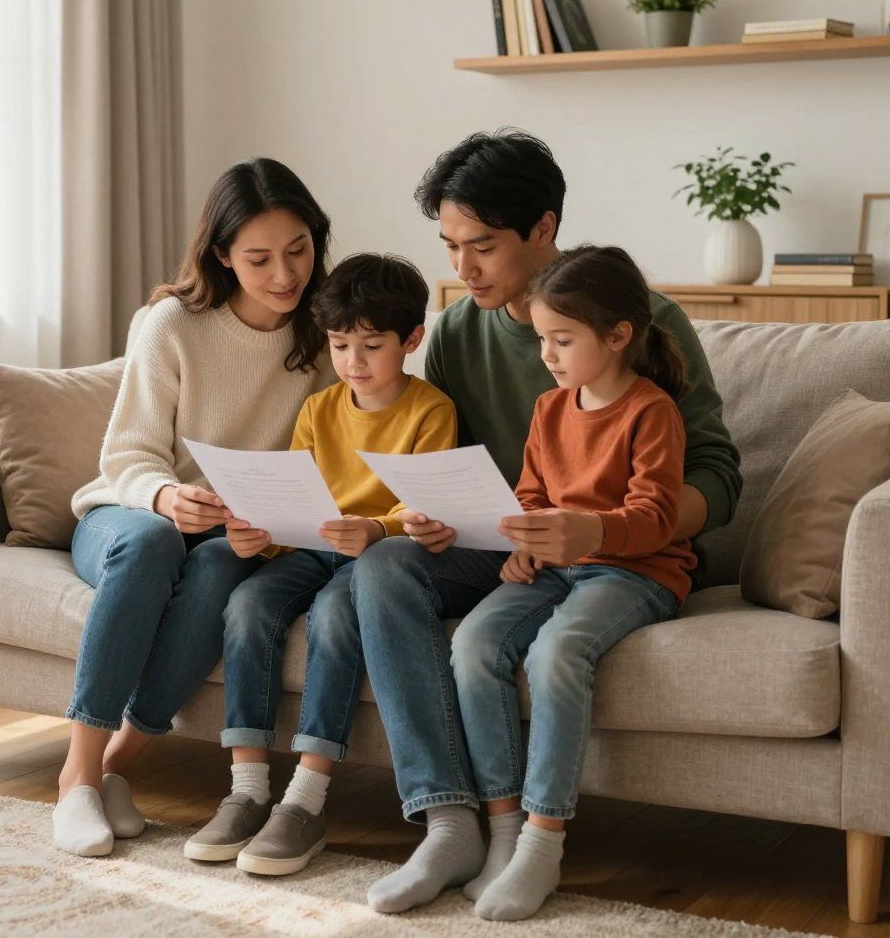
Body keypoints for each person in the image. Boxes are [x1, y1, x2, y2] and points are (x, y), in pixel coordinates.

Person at [354, 129, 742, 914]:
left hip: (623, 551)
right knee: (383, 566)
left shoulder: (638, 318)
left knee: (544, 638)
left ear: (543, 229)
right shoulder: (460, 331)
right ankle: (449, 818)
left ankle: (534, 839)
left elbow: (717, 479)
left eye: (483, 247)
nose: (461, 271)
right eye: (449, 246)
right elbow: (458, 460)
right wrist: (427, 514)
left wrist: (603, 533)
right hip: (513, 544)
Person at [53, 158, 338, 857]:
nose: (285, 275)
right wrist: (166, 496)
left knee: (217, 569)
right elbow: (126, 457)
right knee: (151, 543)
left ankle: (117, 768)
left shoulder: (326, 333)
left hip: (237, 533)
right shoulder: (173, 323)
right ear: (221, 255)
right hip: (126, 516)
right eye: (260, 258)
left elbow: (332, 456)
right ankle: (76, 774)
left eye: (298, 250)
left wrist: (269, 517)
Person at [183, 252, 456, 876]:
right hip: (311, 546)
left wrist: (377, 528)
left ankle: (305, 803)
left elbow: (425, 502)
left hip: (375, 556)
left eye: (371, 346)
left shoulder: (431, 410)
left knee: (336, 618)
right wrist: (260, 537)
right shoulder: (319, 409)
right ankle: (247, 790)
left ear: (412, 339)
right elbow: (294, 498)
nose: (353, 363)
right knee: (247, 603)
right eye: (339, 345)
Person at [452, 244, 695, 920]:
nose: (549, 355)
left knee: (558, 652)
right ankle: (502, 826)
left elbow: (657, 518)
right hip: (556, 568)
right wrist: (523, 545)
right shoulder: (549, 410)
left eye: (563, 339)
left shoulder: (653, 413)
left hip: (637, 572)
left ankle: (542, 839)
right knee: (473, 644)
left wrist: (591, 534)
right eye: (542, 340)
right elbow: (532, 494)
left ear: (618, 336)